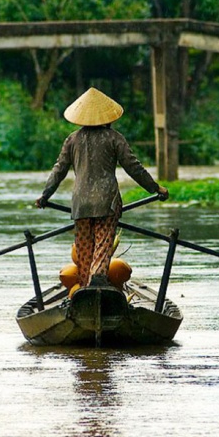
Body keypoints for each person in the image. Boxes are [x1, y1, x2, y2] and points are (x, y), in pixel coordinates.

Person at [35, 87, 169, 288]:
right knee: (103, 244)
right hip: (107, 202)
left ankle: (85, 286)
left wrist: (45, 196)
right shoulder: (114, 138)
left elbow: (58, 170)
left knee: (84, 249)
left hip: (80, 204)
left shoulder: (72, 139)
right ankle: (98, 278)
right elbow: (133, 167)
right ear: (109, 117)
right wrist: (155, 188)